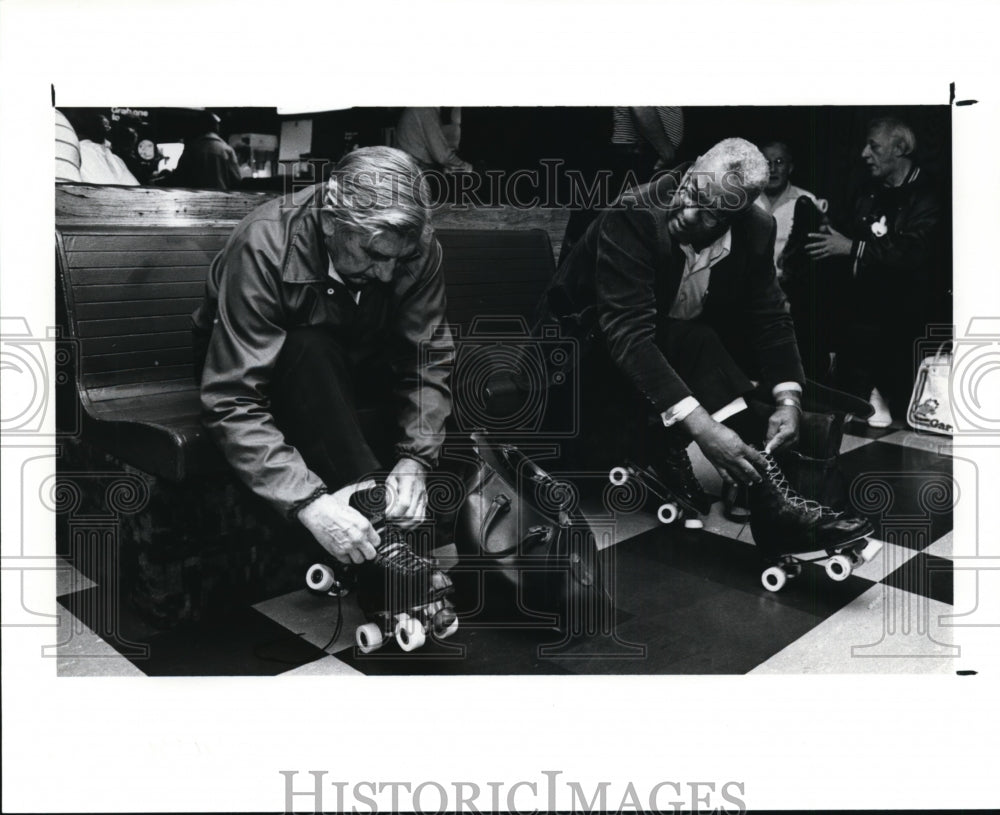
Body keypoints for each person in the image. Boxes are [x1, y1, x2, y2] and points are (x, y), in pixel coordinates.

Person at [536, 138, 869, 544]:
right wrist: (704, 430)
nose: (687, 211)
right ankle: (773, 491)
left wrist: (789, 399)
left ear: (738, 214)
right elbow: (628, 334)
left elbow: (771, 318)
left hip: (662, 360)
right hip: (571, 371)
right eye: (692, 189)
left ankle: (775, 482)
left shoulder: (757, 229)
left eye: (709, 213)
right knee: (695, 339)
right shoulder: (635, 215)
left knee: (715, 338)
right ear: (693, 167)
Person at [192, 146, 454, 565]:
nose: (387, 273)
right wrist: (308, 502)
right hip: (254, 367)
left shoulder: (413, 243)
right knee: (309, 347)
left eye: (399, 259)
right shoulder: (263, 243)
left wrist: (415, 460)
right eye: (374, 255)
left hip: (350, 355)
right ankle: (385, 547)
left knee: (450, 393)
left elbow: (426, 357)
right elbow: (232, 398)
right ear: (331, 221)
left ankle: (401, 531)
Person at [805, 117, 941, 427]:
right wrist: (831, 233)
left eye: (874, 146)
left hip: (908, 316)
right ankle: (862, 393)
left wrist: (851, 247)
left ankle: (881, 393)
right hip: (863, 309)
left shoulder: (928, 194)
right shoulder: (868, 191)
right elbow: (853, 234)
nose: (865, 154)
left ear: (900, 148)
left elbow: (913, 253)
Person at [752, 141, 821, 275]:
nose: (772, 169)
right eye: (766, 163)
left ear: (790, 168)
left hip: (790, 287)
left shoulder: (807, 201)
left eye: (779, 162)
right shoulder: (746, 201)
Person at [171, 111, 242, 190]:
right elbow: (236, 180)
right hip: (221, 198)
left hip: (196, 199)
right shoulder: (227, 150)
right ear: (216, 128)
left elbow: (179, 178)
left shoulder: (191, 149)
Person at [395, 107, 473, 174]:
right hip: (413, 168)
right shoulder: (426, 110)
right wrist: (464, 166)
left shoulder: (423, 108)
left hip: (407, 166)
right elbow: (441, 155)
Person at [76, 112, 140, 186]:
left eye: (108, 125)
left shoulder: (115, 158)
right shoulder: (85, 150)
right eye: (105, 125)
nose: (108, 128)